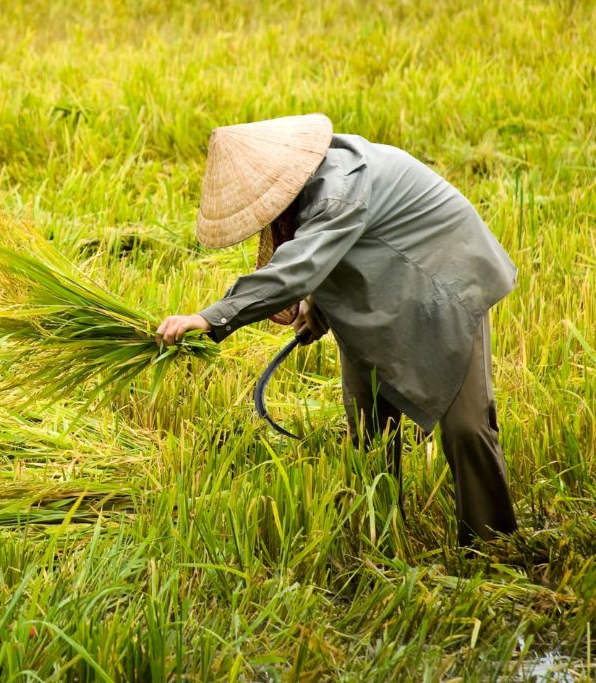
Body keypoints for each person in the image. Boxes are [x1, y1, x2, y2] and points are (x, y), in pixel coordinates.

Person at [155, 114, 518, 547]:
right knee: (367, 424)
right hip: (381, 289)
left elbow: (298, 268)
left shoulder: (340, 188)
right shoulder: (312, 190)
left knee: (466, 426)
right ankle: (380, 536)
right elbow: (342, 251)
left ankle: (492, 543)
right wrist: (318, 308)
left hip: (446, 282)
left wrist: (210, 318)